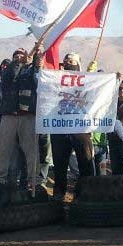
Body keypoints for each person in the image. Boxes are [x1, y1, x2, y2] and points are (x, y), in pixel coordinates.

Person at [0, 43, 44, 192]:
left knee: (31, 151)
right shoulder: (8, 71)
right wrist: (18, 63)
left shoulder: (31, 70)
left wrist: (37, 57)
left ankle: (35, 182)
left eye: (22, 55)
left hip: (28, 116)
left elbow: (36, 80)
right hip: (9, 115)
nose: (19, 57)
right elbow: (10, 78)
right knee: (4, 150)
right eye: (16, 55)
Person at [50, 53, 95, 200]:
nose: (68, 64)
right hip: (60, 127)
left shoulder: (86, 79)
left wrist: (92, 74)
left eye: (71, 61)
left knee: (85, 162)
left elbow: (95, 90)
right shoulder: (56, 78)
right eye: (66, 61)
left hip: (80, 128)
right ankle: (58, 193)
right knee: (59, 163)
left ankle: (85, 193)